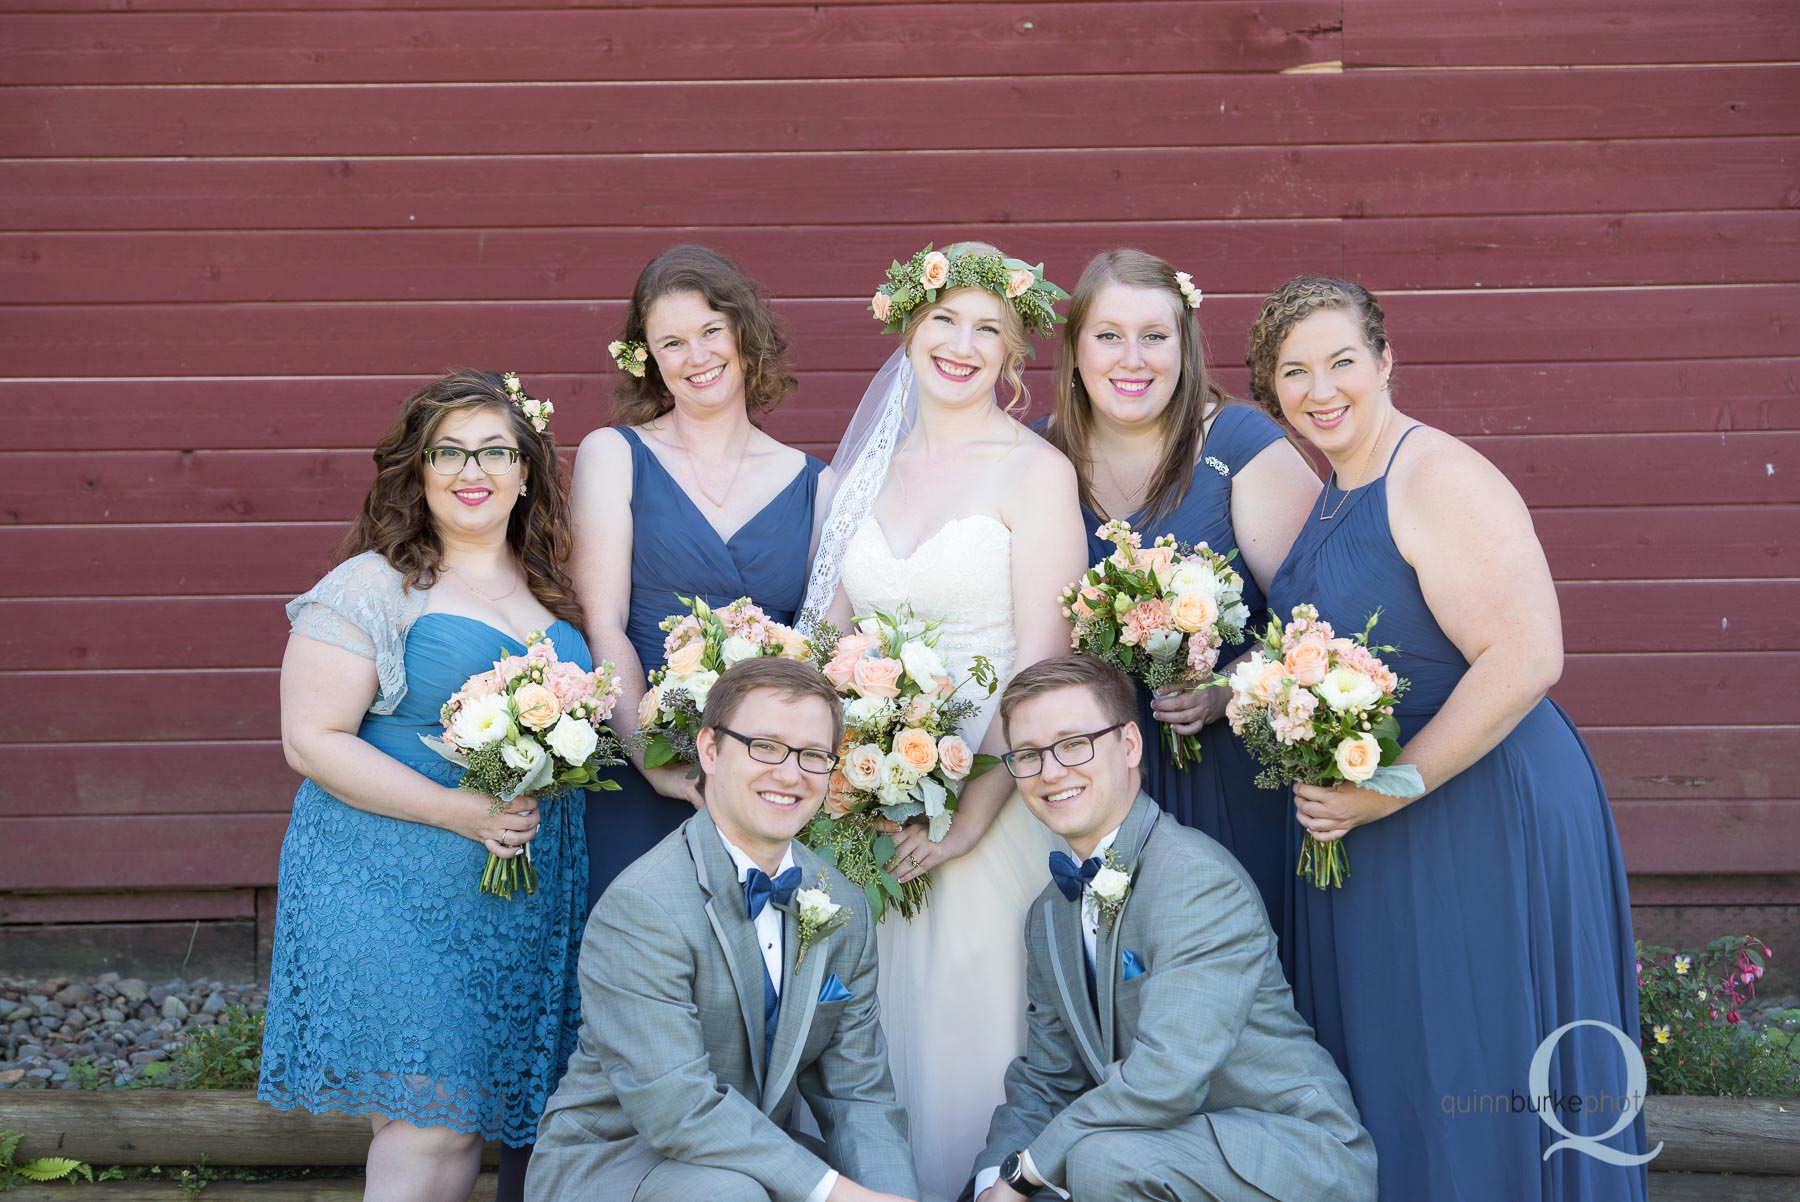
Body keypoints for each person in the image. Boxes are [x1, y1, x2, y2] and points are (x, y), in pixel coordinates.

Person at [1250, 276, 1648, 1201]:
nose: (1323, 388)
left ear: (1387, 360)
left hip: (1478, 810)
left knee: (1478, 1055)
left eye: (1343, 361)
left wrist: (1386, 786)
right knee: (1411, 1064)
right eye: (1295, 372)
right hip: (1392, 818)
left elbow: (1526, 656)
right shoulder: (1337, 491)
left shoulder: (1435, 474)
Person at [259, 370, 590, 1202]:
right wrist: (460, 809)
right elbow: (311, 740)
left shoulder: (552, 586)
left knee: (463, 1126)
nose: (470, 470)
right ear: (419, 468)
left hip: (512, 897)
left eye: (493, 451)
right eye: (449, 451)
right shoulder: (373, 585)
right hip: (388, 878)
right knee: (429, 1120)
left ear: (526, 471)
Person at [803, 240, 1091, 1200]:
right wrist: (852, 781)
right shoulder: (852, 478)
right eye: (944, 321)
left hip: (994, 796)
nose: (962, 345)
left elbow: (1042, 670)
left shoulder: (1036, 473)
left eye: (990, 331)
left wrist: (967, 811)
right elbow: (825, 652)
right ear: (906, 326)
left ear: (1015, 358)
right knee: (869, 1034)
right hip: (867, 811)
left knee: (979, 1027)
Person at [966, 654, 1376, 1202]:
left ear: (1130, 745)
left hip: (1290, 1155)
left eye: (1072, 744)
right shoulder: (1048, 915)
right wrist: (991, 1182)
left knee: (1097, 1161)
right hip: (1158, 1148)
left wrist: (1026, 1173)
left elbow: (1167, 1075)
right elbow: (1047, 1080)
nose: (1051, 772)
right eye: (1029, 755)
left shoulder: (1195, 880)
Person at [528, 658, 921, 1202]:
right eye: (765, 745)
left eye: (813, 755)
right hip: (618, 1163)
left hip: (750, 1158)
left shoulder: (841, 903)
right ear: (710, 750)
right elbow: (676, 1107)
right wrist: (839, 1195)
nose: (790, 773)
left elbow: (858, 1094)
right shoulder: (643, 908)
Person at [1040, 249, 1317, 951]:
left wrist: (1228, 689)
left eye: (1154, 336)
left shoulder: (1239, 442)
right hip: (1092, 773)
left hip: (1229, 767)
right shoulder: (1038, 456)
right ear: (1075, 351)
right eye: (1108, 336)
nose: (1132, 359)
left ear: (1184, 345)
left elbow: (1319, 614)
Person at [569, 243, 825, 903]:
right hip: (646, 764)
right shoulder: (614, 455)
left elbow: (826, 647)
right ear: (648, 359)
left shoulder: (816, 484)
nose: (698, 357)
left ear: (744, 335)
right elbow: (604, 623)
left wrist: (773, 762)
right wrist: (648, 756)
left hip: (769, 776)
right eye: (672, 343)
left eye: (711, 331)